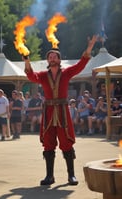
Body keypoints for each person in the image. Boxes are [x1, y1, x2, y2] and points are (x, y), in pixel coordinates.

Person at [23, 35, 97, 186]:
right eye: (49, 56)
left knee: (66, 142)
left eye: (54, 56)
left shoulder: (67, 72)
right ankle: (49, 176)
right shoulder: (43, 76)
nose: (51, 58)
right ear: (48, 60)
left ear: (59, 59)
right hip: (49, 111)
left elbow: (81, 65)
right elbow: (31, 76)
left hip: (62, 112)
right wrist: (26, 60)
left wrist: (89, 47)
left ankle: (71, 176)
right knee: (48, 144)